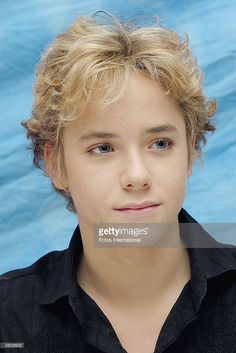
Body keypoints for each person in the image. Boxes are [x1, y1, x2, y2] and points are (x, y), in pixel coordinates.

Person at [0, 11, 235, 353]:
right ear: (56, 164)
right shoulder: (9, 314)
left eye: (160, 144)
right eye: (103, 148)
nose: (137, 176)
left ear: (191, 152)